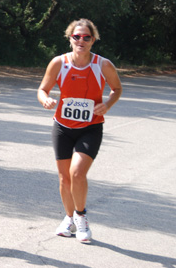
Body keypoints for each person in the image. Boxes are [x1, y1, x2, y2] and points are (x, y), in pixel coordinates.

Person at [37, 18, 122, 244]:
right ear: (70, 38)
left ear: (93, 40)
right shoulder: (59, 63)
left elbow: (117, 88)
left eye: (86, 37)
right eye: (77, 37)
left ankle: (81, 217)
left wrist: (108, 103)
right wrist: (45, 99)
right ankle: (69, 219)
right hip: (62, 127)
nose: (81, 41)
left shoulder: (103, 65)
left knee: (77, 173)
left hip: (91, 127)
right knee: (64, 179)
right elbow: (42, 89)